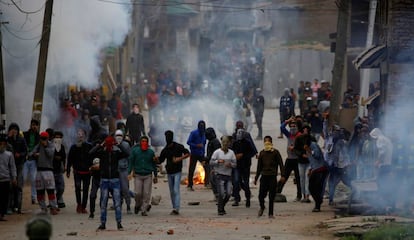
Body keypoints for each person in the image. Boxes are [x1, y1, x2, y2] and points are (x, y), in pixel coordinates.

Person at [90, 135, 128, 231]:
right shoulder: (102, 153)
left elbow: (127, 153)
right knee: (107, 203)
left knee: (113, 203)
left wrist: (119, 145)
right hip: (106, 180)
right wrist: (100, 145)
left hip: (113, 179)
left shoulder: (115, 153)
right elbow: (91, 153)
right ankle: (108, 223)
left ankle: (117, 223)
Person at [158, 130, 190, 215]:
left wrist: (179, 159)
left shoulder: (179, 146)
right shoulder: (165, 149)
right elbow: (160, 160)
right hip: (169, 172)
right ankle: (174, 207)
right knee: (172, 191)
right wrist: (154, 159)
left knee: (176, 190)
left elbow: (187, 153)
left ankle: (176, 208)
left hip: (177, 171)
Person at [29, 131, 59, 215]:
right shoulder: (39, 145)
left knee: (50, 191)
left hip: (48, 171)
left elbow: (50, 154)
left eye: (45, 138)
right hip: (39, 170)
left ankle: (53, 207)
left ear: (48, 138)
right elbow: (32, 152)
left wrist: (45, 146)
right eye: (42, 138)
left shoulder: (51, 145)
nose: (43, 140)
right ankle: (43, 208)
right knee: (40, 191)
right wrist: (33, 154)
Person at [254, 136, 284, 218]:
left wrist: (283, 175)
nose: (267, 143)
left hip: (272, 177)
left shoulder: (275, 152)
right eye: (265, 141)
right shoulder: (262, 153)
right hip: (264, 176)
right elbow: (259, 167)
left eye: (268, 141)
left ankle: (270, 213)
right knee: (261, 195)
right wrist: (256, 178)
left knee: (271, 196)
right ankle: (262, 207)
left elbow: (281, 164)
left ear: (271, 142)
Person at [128, 136, 158, 216]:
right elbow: (131, 162)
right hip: (138, 175)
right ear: (140, 142)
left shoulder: (151, 152)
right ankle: (138, 204)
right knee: (138, 193)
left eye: (146, 141)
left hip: (148, 175)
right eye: (143, 141)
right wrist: (129, 172)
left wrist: (155, 175)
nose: (144, 143)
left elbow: (154, 164)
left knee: (146, 193)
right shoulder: (135, 151)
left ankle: (144, 209)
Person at [67, 129, 93, 214]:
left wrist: (92, 167)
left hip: (87, 172)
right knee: (77, 188)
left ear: (85, 136)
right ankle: (79, 204)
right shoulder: (73, 147)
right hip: (77, 172)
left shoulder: (89, 146)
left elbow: (93, 157)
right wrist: (68, 170)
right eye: (79, 134)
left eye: (82, 135)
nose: (80, 136)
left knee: (86, 189)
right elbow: (70, 159)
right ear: (77, 136)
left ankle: (84, 206)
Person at [210, 135, 237, 215]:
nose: (225, 144)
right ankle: (220, 209)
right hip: (219, 175)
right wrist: (218, 161)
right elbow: (211, 162)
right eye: (224, 143)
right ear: (222, 143)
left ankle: (222, 206)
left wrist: (230, 165)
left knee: (228, 193)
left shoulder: (231, 153)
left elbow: (235, 164)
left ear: (229, 144)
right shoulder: (217, 152)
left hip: (228, 176)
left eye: (227, 143)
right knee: (221, 193)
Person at [278, 117, 302, 201]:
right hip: (289, 159)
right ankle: (277, 192)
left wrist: (294, 148)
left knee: (298, 178)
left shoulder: (300, 136)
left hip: (297, 160)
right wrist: (287, 121)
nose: (292, 128)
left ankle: (299, 196)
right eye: (291, 126)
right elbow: (282, 127)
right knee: (284, 176)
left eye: (294, 126)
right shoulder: (289, 135)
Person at [7, 123, 27, 213]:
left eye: (15, 129)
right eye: (12, 129)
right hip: (9, 166)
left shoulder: (21, 139)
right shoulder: (7, 140)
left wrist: (20, 154)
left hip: (19, 165)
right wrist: (8, 137)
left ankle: (18, 206)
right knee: (10, 186)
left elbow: (25, 151)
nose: (14, 130)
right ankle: (9, 206)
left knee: (18, 186)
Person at [304, 135, 328, 212]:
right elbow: (311, 160)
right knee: (312, 188)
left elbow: (317, 155)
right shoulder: (307, 148)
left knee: (315, 187)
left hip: (320, 169)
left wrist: (310, 151)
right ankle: (318, 202)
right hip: (315, 169)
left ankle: (318, 204)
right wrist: (311, 169)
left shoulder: (313, 145)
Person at [114, 130, 132, 214]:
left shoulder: (126, 145)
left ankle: (128, 205)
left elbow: (129, 156)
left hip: (124, 169)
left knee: (125, 189)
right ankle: (118, 206)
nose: (118, 137)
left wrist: (130, 170)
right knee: (116, 190)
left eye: (120, 135)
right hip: (115, 169)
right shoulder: (112, 145)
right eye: (117, 135)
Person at [0, 134, 17, 221]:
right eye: (0, 144)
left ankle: (2, 214)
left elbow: (12, 167)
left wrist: (14, 178)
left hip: (5, 179)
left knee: (4, 198)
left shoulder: (9, 154)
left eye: (3, 144)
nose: (1, 146)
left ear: (6, 145)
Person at [186, 120, 207, 191]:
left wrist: (203, 152)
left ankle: (207, 183)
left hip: (201, 154)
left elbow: (204, 144)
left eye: (203, 126)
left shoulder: (204, 133)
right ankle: (190, 185)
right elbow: (188, 142)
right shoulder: (193, 133)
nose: (202, 127)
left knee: (206, 167)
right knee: (191, 169)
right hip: (194, 153)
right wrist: (196, 145)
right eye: (201, 126)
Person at [23, 119, 40, 204]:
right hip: (25, 160)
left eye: (35, 125)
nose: (34, 126)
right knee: (23, 178)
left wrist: (37, 153)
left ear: (37, 126)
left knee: (33, 179)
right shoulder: (25, 134)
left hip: (33, 160)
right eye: (33, 125)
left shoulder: (39, 137)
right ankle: (19, 198)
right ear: (30, 125)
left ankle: (34, 198)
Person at [205, 127, 221, 200]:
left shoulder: (215, 142)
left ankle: (218, 195)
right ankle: (217, 195)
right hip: (212, 163)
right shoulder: (211, 141)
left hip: (215, 164)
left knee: (214, 180)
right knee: (212, 180)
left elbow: (216, 154)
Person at [52, 131, 66, 209]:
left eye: (59, 137)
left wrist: (64, 166)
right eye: (56, 137)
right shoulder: (51, 146)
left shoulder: (62, 147)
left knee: (61, 187)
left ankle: (58, 198)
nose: (58, 139)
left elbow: (63, 157)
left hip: (59, 170)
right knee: (52, 188)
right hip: (51, 170)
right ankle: (54, 202)